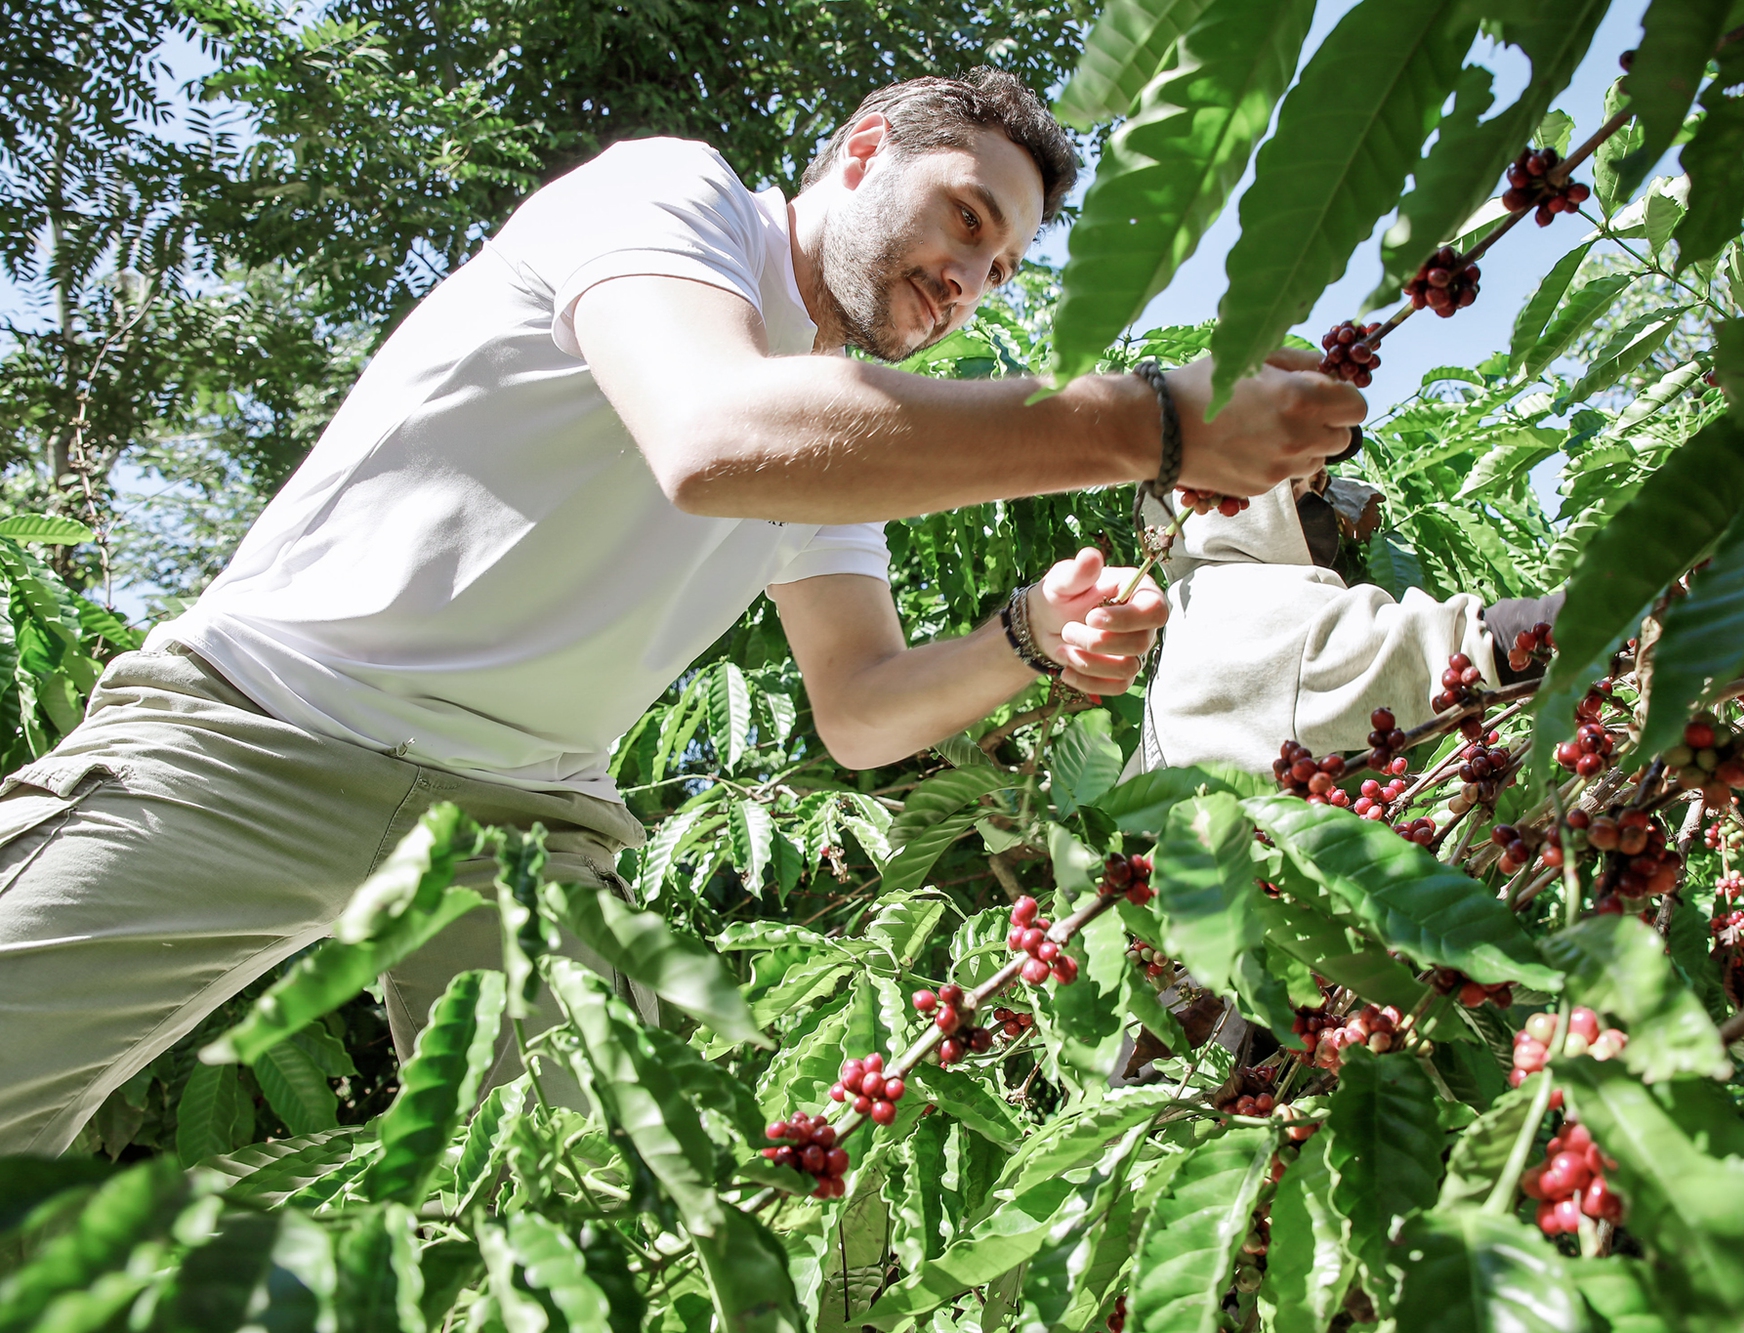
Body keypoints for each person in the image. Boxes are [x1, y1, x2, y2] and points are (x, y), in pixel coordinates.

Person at [0, 68, 1363, 1153]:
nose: (972, 279)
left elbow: (864, 708)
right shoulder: (673, 199)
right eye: (967, 217)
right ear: (864, 149)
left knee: (592, 1222)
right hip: (264, 733)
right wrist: (1157, 423)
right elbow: (714, 434)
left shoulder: (839, 433)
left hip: (524, 825)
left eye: (1002, 270)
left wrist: (1025, 639)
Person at [1131, 471, 1561, 777]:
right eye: (1299, 487)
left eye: (1320, 485)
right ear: (1238, 506)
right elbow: (1430, 655)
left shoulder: (1193, 601)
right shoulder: (1241, 603)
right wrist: (1572, 618)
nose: (1319, 506)